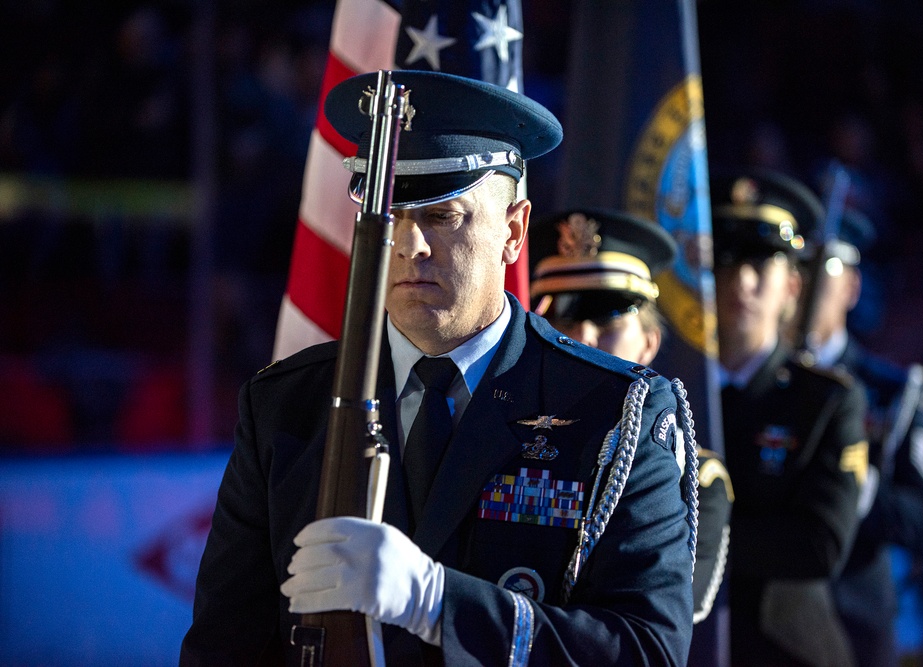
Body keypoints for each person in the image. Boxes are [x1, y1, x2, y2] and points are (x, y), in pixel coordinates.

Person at [180, 70, 695, 665]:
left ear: (514, 230)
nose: (409, 245)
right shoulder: (285, 407)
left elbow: (649, 650)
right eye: (392, 216)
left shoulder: (611, 412)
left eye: (443, 216)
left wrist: (439, 604)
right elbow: (225, 647)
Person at [528, 208, 734, 653]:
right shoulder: (497, 443)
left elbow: (666, 610)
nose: (582, 336)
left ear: (649, 342)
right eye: (562, 318)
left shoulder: (694, 475)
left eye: (607, 320)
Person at [711, 169, 868, 667]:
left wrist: (692, 540)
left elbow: (820, 543)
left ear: (793, 285)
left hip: (783, 649)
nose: (743, 281)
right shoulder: (666, 391)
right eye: (727, 260)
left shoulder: (825, 402)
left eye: (762, 263)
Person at [799, 208, 923, 667]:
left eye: (823, 273)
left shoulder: (888, 390)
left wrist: (865, 497)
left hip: (855, 611)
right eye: (799, 272)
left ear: (851, 288)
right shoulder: (767, 381)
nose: (805, 290)